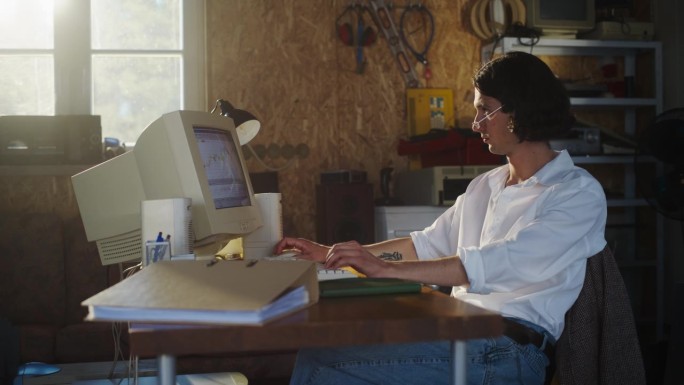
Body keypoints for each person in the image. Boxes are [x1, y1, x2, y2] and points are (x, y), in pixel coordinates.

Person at [274, 51, 607, 385]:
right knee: (321, 350)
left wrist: (387, 269)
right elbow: (424, 245)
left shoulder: (577, 193)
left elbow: (500, 262)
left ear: (518, 111)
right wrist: (332, 254)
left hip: (509, 351)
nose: (476, 124)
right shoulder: (485, 185)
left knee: (321, 364)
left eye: (484, 109)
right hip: (460, 332)